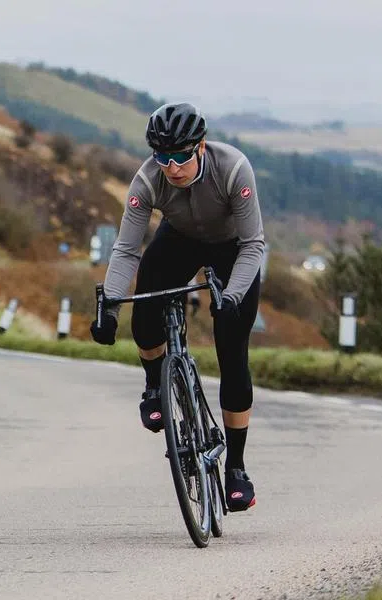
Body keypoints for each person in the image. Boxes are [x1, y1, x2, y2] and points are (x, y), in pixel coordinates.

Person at [89, 102, 265, 512]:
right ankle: (155, 384)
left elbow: (254, 244)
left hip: (232, 249)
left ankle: (236, 469)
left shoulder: (234, 169)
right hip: (180, 238)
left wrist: (232, 296)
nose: (171, 167)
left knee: (232, 350)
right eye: (162, 157)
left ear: (200, 147)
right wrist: (110, 307)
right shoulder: (147, 180)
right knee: (146, 307)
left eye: (180, 156)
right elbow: (127, 249)